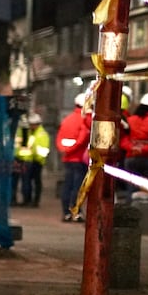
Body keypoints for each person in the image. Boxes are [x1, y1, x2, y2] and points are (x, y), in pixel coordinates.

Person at [56, 92, 92, 222]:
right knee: (78, 187)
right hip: (79, 159)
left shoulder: (68, 119)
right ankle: (76, 212)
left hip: (68, 158)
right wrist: (73, 150)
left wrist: (65, 150)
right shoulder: (86, 119)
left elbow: (59, 137)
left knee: (67, 185)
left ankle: (66, 213)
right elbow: (83, 138)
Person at [124, 91, 148, 188]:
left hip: (132, 157)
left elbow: (123, 138)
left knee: (132, 188)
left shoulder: (130, 120)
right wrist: (143, 150)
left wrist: (132, 148)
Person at [15, 112, 51, 207]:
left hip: (37, 161)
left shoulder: (42, 134)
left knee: (36, 181)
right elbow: (23, 148)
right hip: (27, 160)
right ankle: (27, 200)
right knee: (26, 181)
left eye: (33, 124)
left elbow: (43, 150)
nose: (31, 126)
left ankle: (35, 201)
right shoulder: (27, 132)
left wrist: (37, 157)